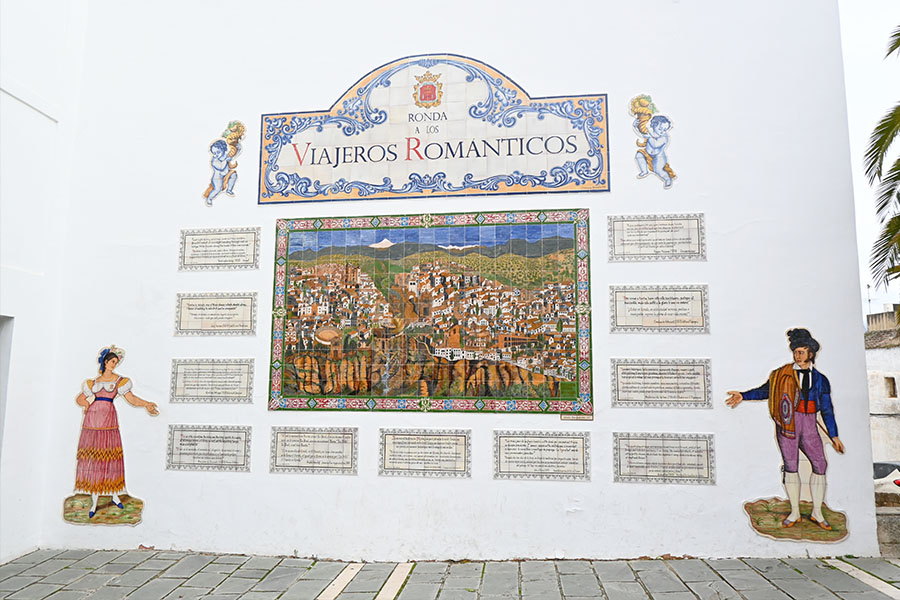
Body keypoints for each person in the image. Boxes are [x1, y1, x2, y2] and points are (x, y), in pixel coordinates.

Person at [726, 328, 844, 530]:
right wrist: (743, 395)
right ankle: (795, 511)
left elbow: (826, 408)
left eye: (801, 352)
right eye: (795, 352)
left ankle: (817, 512)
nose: (797, 355)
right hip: (787, 423)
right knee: (791, 465)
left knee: (820, 464)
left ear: (811, 353)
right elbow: (765, 391)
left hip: (809, 423)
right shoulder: (781, 375)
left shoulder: (820, 380)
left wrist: (833, 435)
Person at [74, 345, 158, 518]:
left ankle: (113, 494)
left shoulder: (120, 381)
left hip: (108, 421)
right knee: (94, 458)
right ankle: (94, 499)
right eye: (112, 361)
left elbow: (132, 399)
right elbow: (80, 398)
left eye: (116, 362)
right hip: (92, 422)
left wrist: (147, 404)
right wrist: (87, 405)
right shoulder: (93, 382)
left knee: (109, 457)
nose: (114, 364)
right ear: (105, 362)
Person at [635, 115, 675, 188]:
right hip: (647, 153)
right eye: (660, 129)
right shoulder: (651, 132)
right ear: (653, 126)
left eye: (665, 130)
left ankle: (667, 179)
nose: (662, 131)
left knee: (658, 170)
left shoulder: (664, 137)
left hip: (659, 156)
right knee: (639, 155)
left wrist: (650, 134)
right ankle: (644, 171)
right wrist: (635, 126)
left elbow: (655, 145)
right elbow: (642, 134)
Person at [202, 139, 238, 206]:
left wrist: (230, 156)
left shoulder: (225, 155)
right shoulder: (214, 161)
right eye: (214, 153)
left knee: (234, 175)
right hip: (217, 178)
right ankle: (209, 198)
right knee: (218, 189)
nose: (216, 155)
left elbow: (231, 155)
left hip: (226, 174)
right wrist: (225, 160)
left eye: (218, 152)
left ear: (224, 150)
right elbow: (221, 167)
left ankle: (229, 190)